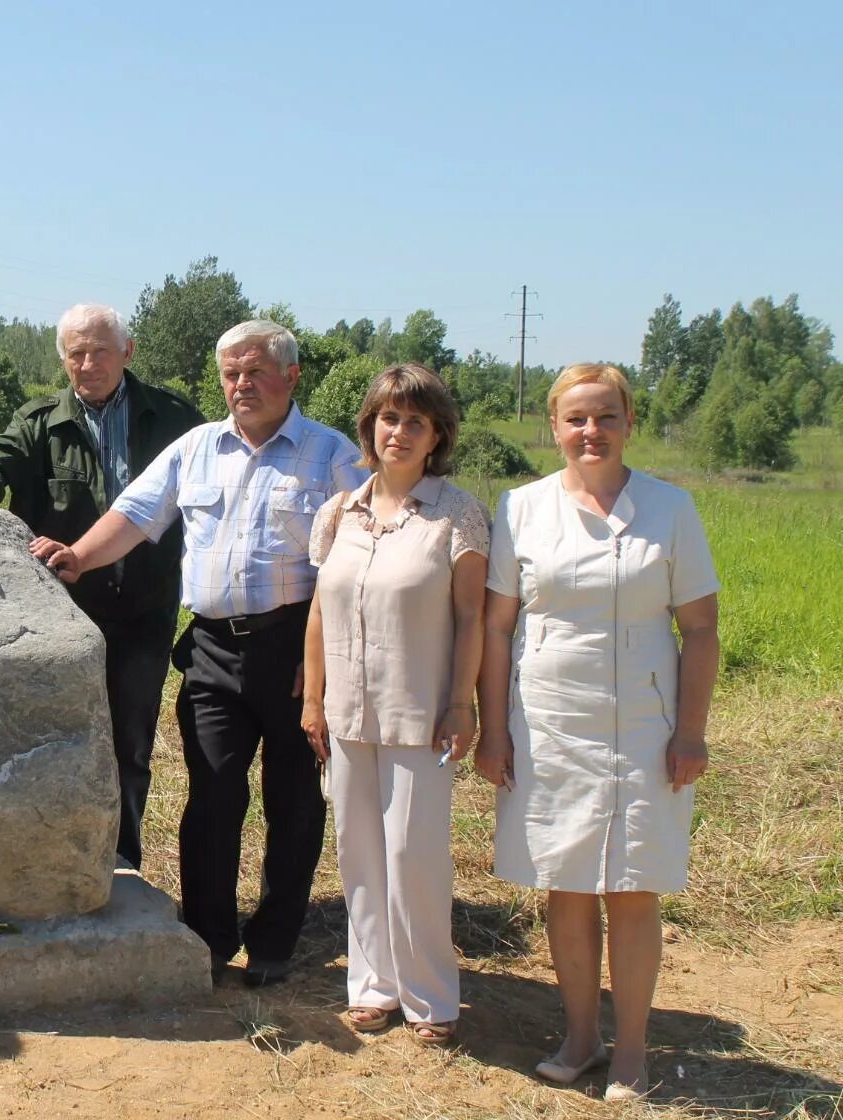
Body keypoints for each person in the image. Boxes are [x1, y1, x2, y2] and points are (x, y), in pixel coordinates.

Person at [38, 319, 366, 987]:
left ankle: (274, 942)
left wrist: (331, 659)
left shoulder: (333, 457)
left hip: (300, 650)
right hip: (213, 650)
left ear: (291, 377)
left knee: (295, 801)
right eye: (230, 373)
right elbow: (134, 515)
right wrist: (77, 557)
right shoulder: (196, 449)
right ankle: (211, 937)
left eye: (255, 371)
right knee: (212, 795)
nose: (241, 384)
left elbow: (362, 560)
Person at [476, 363, 719, 1099]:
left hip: (647, 728)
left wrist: (692, 733)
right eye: (576, 418)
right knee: (568, 884)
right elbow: (495, 627)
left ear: (627, 423)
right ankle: (581, 1035)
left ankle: (633, 1052)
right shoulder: (521, 508)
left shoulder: (670, 509)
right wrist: (494, 732)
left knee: (634, 887)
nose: (591, 431)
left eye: (605, 416)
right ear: (553, 426)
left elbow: (701, 629)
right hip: (550, 725)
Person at [0, 304, 202, 870]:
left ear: (127, 352)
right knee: (49, 740)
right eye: (76, 354)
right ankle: (49, 862)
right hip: (58, 616)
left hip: (143, 612)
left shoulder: (174, 418)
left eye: (99, 351)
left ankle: (122, 864)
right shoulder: (40, 421)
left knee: (129, 746)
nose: (87, 364)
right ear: (62, 359)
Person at [300, 364, 488, 1045]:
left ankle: (432, 997)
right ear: (369, 427)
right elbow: (321, 609)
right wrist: (313, 697)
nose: (399, 432)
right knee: (358, 851)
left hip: (420, 712)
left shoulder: (457, 514)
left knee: (415, 855)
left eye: (415, 421)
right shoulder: (339, 511)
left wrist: (462, 704)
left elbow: (471, 617)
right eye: (388, 418)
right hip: (346, 712)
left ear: (437, 435)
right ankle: (373, 985)